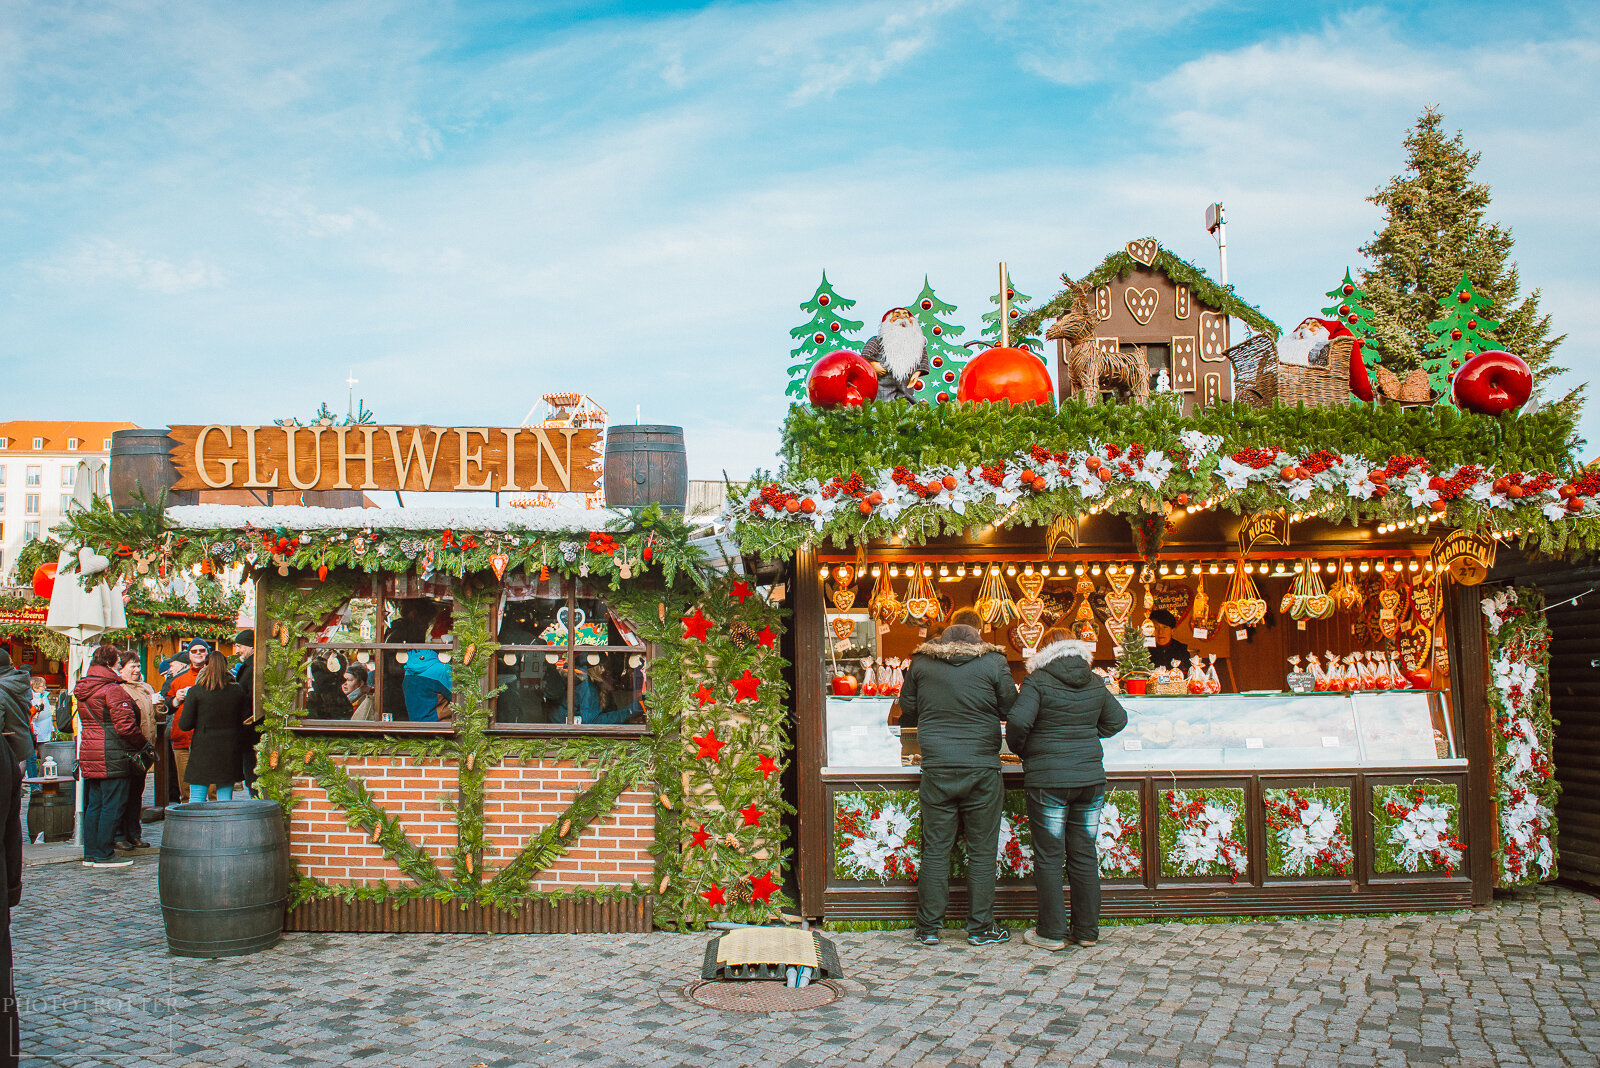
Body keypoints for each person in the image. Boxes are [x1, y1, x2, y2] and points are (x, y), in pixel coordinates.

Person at [1005, 629, 1129, 951]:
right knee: (1084, 853)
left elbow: (1017, 722)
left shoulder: (1037, 680)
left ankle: (1051, 933)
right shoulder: (1093, 680)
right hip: (1090, 780)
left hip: (1049, 780)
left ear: (1046, 649)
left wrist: (1026, 750)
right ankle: (1087, 932)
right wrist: (1087, 736)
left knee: (1049, 856)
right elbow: (1118, 720)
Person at [897, 621, 1017, 947]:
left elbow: (907, 705)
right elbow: (1010, 706)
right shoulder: (993, 662)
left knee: (935, 850)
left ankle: (928, 928)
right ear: (978, 640)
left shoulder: (922, 663)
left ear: (942, 640)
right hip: (981, 767)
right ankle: (980, 929)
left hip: (936, 766)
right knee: (981, 852)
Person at [73, 645, 145, 868]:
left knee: (94, 804)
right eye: (117, 662)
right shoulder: (111, 689)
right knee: (112, 804)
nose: (119, 666)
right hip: (111, 753)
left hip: (90, 751)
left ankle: (91, 853)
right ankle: (104, 854)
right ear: (109, 663)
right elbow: (125, 726)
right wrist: (144, 744)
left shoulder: (85, 687)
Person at [177, 652, 249, 803]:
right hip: (229, 749)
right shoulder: (237, 691)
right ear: (226, 666)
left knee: (197, 797)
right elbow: (246, 720)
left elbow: (184, 724)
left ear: (206, 666)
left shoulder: (196, 691)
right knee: (224, 798)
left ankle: (197, 827)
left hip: (203, 749)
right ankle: (223, 826)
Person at [115, 652, 159, 851]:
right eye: (132, 666)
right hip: (128, 749)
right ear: (121, 669)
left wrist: (161, 705)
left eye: (138, 666)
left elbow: (155, 714)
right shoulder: (119, 689)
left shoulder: (146, 687)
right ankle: (120, 834)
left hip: (145, 748)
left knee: (137, 794)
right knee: (124, 793)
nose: (136, 670)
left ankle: (134, 833)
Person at [165, 638, 213, 800]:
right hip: (183, 739)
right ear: (189, 655)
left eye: (202, 650)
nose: (198, 654)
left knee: (213, 791)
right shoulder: (178, 679)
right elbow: (167, 705)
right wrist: (176, 699)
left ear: (207, 653)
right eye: (194, 651)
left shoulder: (217, 677)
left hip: (210, 741)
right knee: (186, 790)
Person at [232, 629, 261, 796]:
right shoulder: (250, 667)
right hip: (250, 732)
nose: (237, 651)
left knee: (253, 777)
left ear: (251, 646)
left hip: (251, 732)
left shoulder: (252, 668)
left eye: (239, 646)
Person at [401, 648, 452, 722]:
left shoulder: (408, 669)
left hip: (415, 727)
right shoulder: (442, 669)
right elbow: (461, 698)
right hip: (440, 727)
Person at [27, 678, 51, 776]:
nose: (44, 687)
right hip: (35, 730)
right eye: (42, 686)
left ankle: (43, 778)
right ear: (35, 687)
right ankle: (34, 781)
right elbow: (31, 716)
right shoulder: (31, 698)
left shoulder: (44, 696)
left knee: (45, 757)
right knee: (32, 757)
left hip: (45, 730)